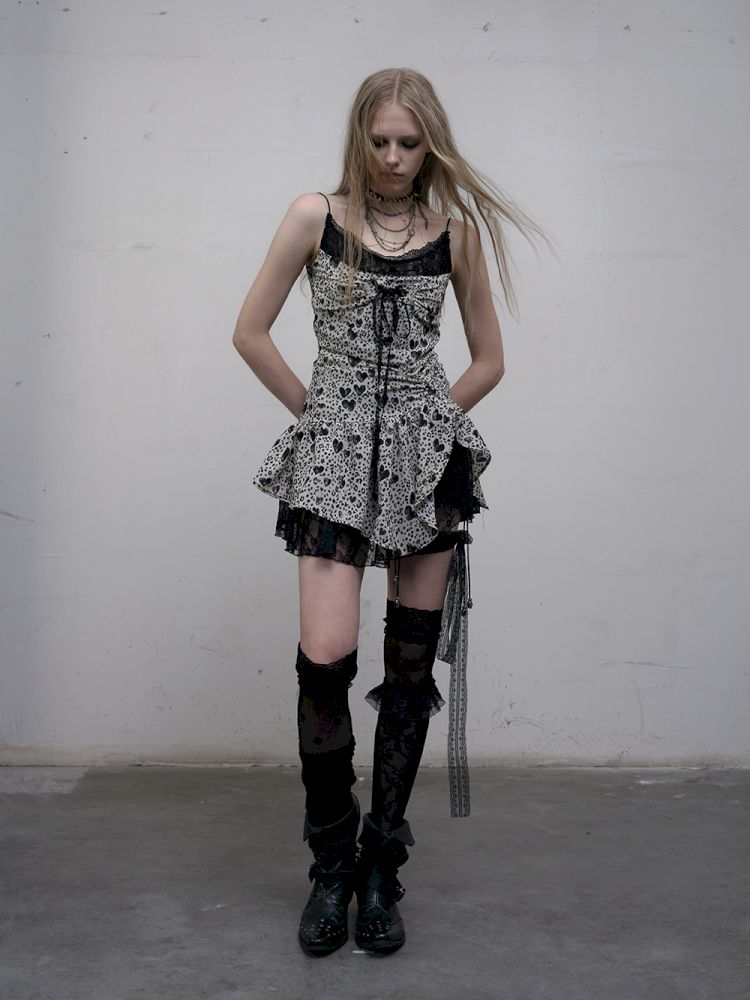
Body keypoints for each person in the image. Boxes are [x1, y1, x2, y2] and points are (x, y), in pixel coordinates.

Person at [232, 67, 551, 957]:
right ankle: (330, 868)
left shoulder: (458, 237)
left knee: (410, 673)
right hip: (332, 463)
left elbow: (489, 360)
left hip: (425, 468)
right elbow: (249, 331)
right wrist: (320, 416)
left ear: (431, 144)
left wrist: (427, 422)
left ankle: (381, 869)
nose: (395, 157)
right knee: (324, 665)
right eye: (380, 141)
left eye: (411, 143)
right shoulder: (315, 216)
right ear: (359, 137)